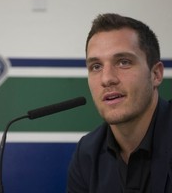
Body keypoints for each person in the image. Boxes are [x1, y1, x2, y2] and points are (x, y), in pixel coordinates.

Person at [67, 13, 172, 193]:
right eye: (96, 66)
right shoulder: (86, 154)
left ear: (156, 74)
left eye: (123, 62)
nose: (107, 79)